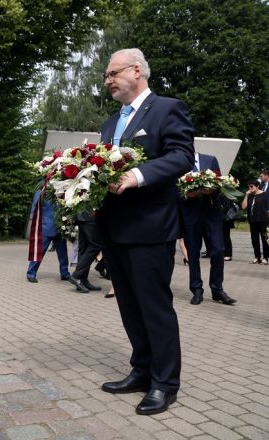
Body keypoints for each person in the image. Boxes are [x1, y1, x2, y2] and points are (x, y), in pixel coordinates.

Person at [97, 48, 195, 416]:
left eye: (112, 73)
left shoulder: (168, 108)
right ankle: (141, 371)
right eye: (107, 75)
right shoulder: (110, 122)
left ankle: (165, 384)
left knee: (154, 308)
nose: (108, 80)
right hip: (114, 227)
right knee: (129, 306)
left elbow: (182, 155)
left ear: (136, 70)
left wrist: (137, 175)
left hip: (151, 226)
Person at [179, 153, 236, 306]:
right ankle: (197, 290)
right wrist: (187, 194)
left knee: (218, 250)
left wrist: (212, 190)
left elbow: (220, 186)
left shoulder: (210, 160)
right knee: (193, 253)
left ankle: (217, 289)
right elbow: (175, 190)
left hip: (212, 213)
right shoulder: (179, 162)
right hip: (191, 215)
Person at [26, 190, 70, 283]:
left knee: (63, 253)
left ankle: (65, 273)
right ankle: (31, 273)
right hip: (45, 227)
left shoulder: (64, 190)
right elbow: (35, 208)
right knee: (39, 252)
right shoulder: (41, 192)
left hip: (60, 227)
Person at [67, 212, 103, 293]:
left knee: (84, 248)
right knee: (96, 245)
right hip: (89, 215)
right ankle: (77, 276)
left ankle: (82, 280)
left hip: (82, 215)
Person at [242, 180, 269, 265]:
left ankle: (265, 258)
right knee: (254, 240)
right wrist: (246, 195)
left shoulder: (265, 194)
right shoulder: (250, 195)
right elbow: (243, 206)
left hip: (263, 220)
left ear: (257, 186)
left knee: (265, 240)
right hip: (252, 221)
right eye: (249, 186)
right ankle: (257, 257)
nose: (250, 188)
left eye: (251, 186)